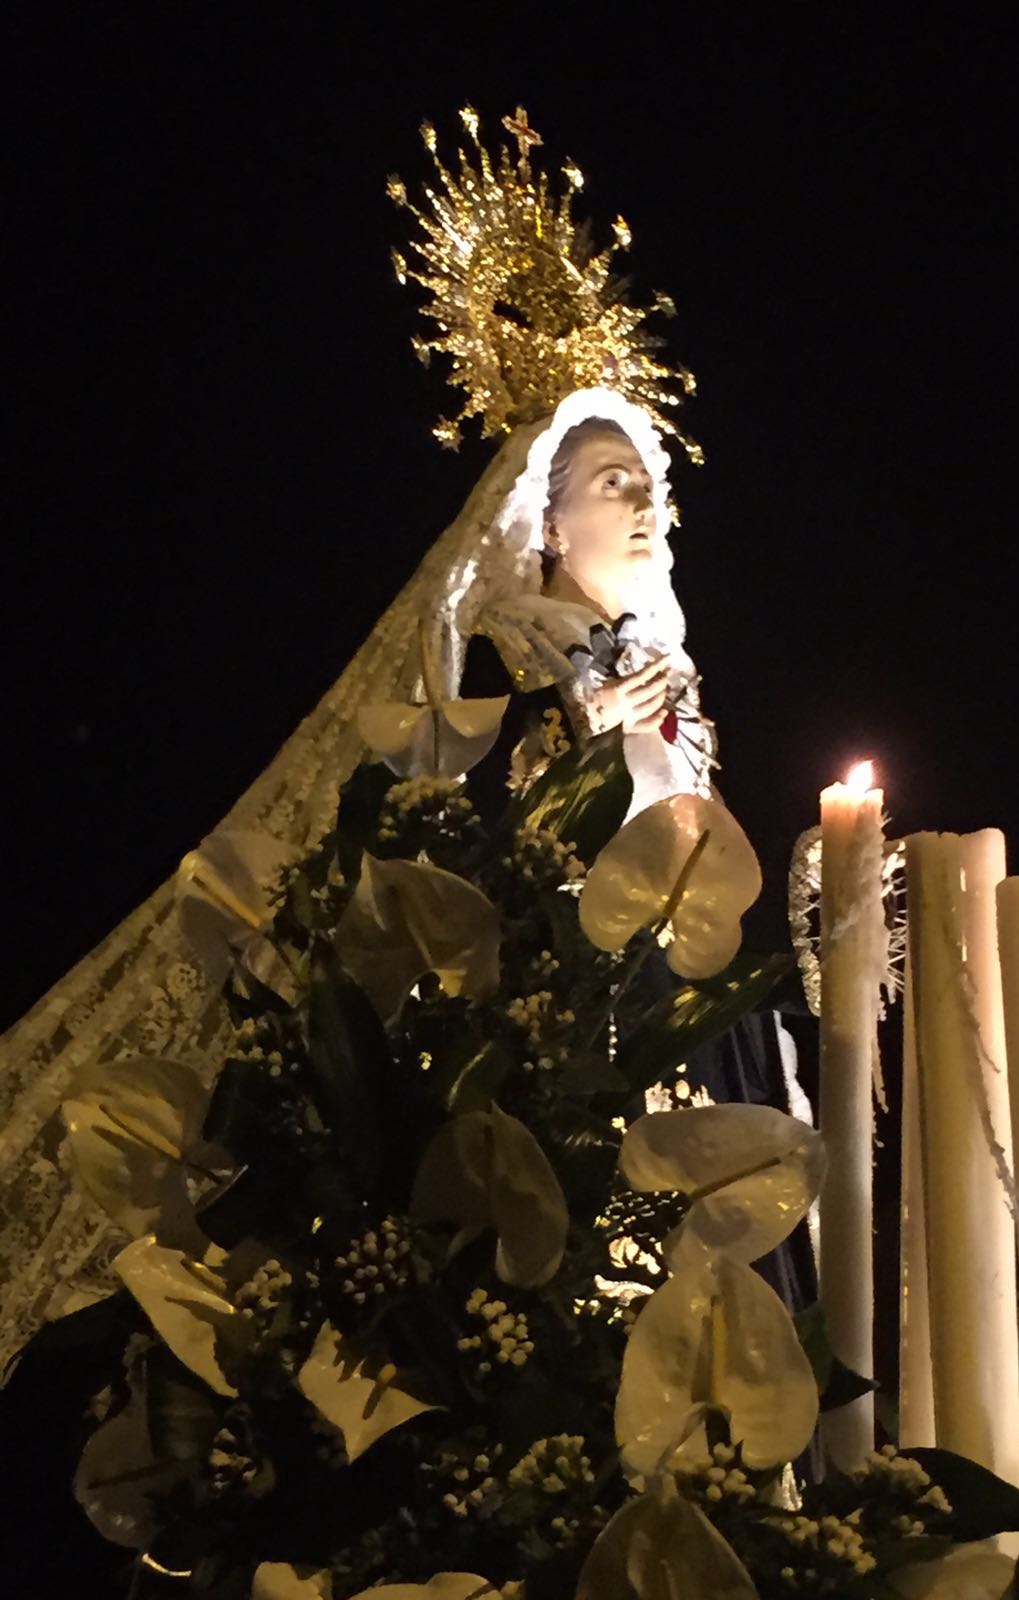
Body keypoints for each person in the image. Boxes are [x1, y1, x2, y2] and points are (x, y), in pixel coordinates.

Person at [0, 109, 813, 1372]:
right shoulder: (496, 659)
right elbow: (436, 849)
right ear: (544, 522)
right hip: (543, 1038)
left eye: (652, 484)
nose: (647, 502)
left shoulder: (675, 687)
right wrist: (570, 743)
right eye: (613, 481)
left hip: (676, 1028)